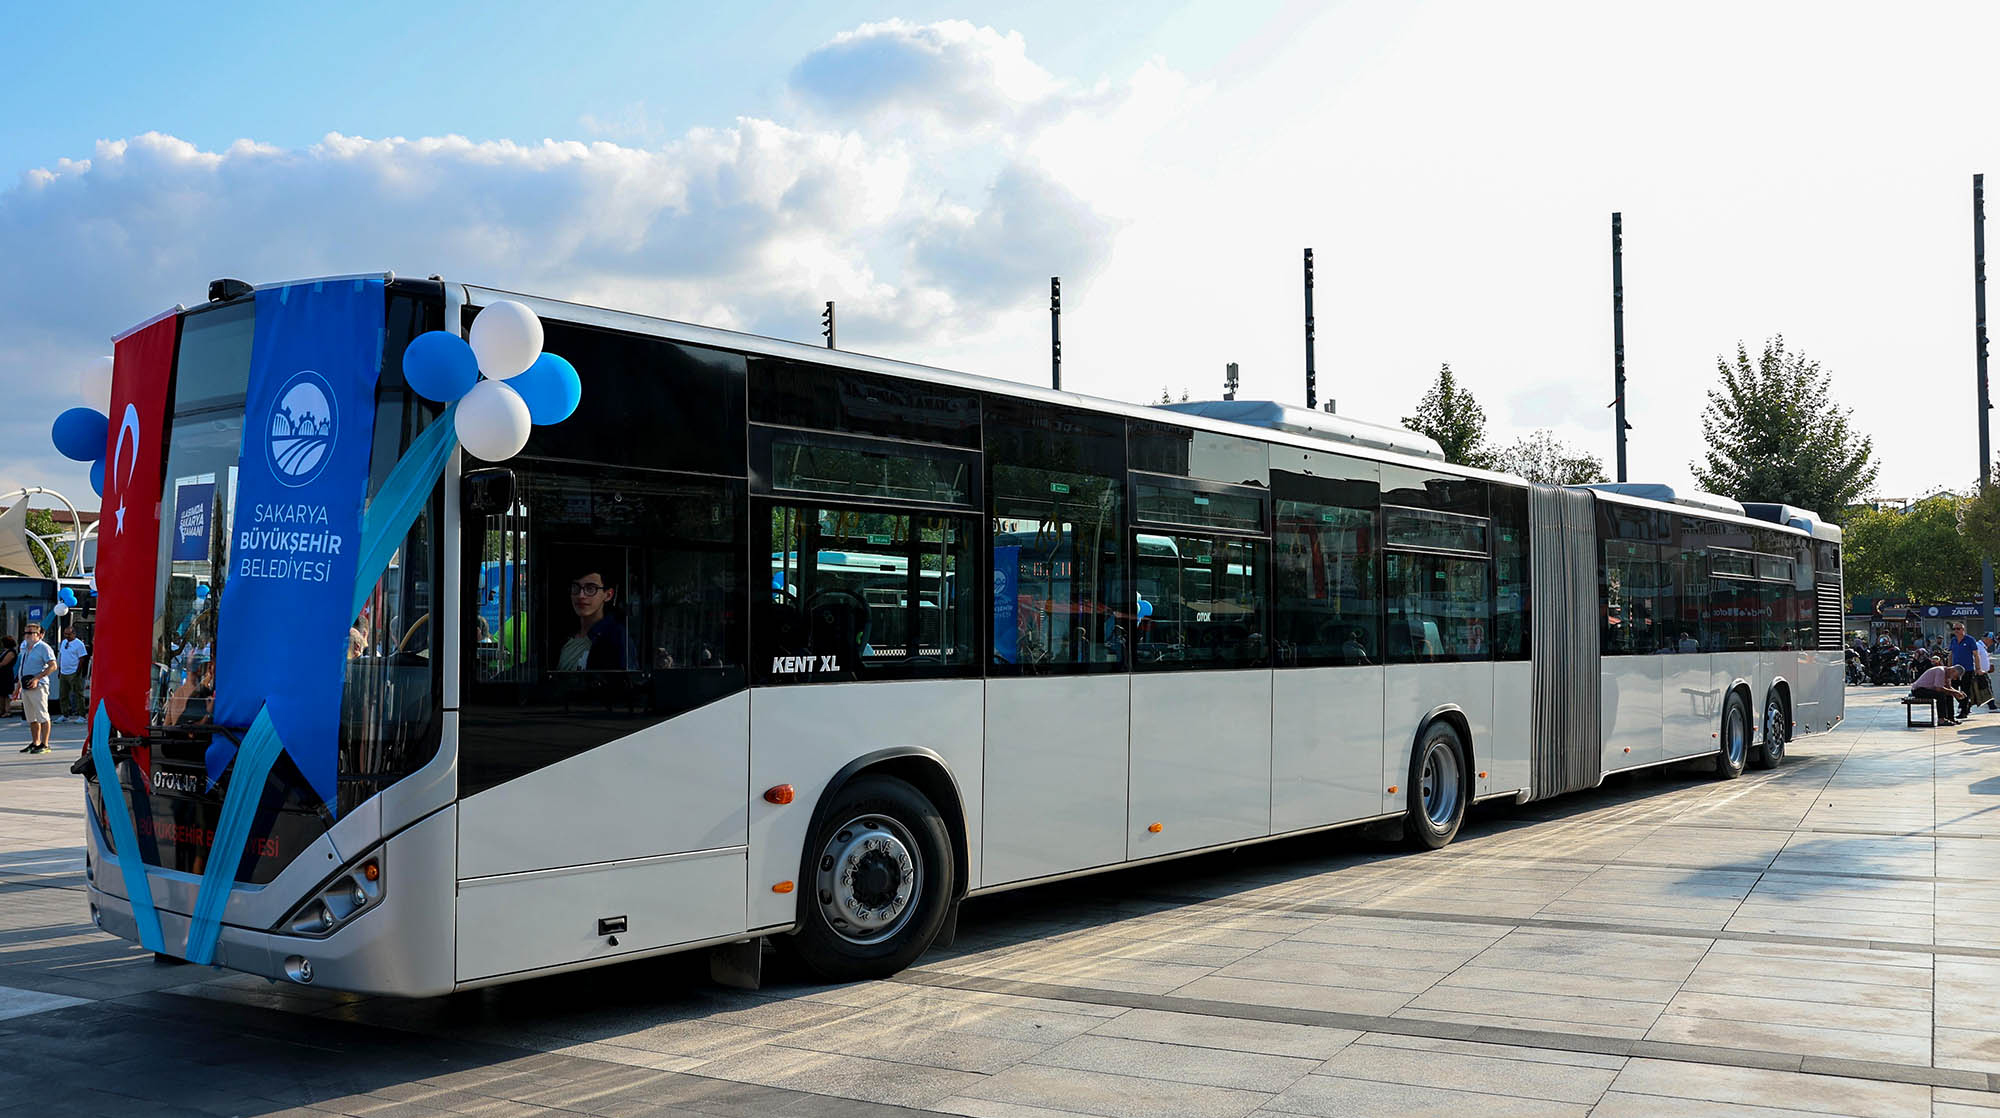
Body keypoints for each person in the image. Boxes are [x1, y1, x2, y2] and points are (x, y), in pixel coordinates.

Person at [558, 564, 629, 671]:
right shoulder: (564, 637)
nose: (581, 595)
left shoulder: (617, 638)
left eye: (590, 588)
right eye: (576, 587)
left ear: (608, 595)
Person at [15, 623, 56, 753]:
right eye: (25, 633)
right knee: (31, 718)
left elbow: (53, 666)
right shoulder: (25, 648)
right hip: (26, 686)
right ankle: (35, 742)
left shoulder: (44, 647)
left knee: (43, 716)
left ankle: (45, 744)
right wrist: (18, 687)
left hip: (39, 686)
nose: (26, 635)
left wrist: (38, 678)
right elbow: (22, 667)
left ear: (38, 635)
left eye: (29, 633)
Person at [1911, 662, 1967, 726]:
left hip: (1928, 689)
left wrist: (1957, 693)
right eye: (1955, 676)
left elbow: (1949, 688)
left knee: (1949, 695)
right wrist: (1955, 692)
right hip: (1918, 690)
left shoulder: (1948, 675)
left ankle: (1950, 718)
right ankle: (1941, 719)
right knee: (1941, 695)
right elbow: (1938, 688)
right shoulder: (1941, 671)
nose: (1955, 679)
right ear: (1953, 670)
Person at [56, 625, 86, 723]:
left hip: (74, 672)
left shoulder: (79, 644)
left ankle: (81, 715)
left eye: (69, 634)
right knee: (63, 695)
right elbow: (61, 656)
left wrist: (77, 672)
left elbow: (82, 659)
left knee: (78, 694)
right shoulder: (64, 642)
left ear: (74, 633)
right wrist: (59, 670)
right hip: (64, 672)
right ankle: (65, 714)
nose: (67, 636)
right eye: (65, 634)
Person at [1950, 622, 1981, 717]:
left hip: (1967, 670)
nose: (1956, 631)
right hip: (1955, 670)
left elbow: (1976, 655)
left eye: (1958, 629)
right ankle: (1965, 703)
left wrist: (1978, 668)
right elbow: (1951, 655)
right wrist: (1949, 668)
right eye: (1954, 629)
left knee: (1965, 690)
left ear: (1963, 630)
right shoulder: (1953, 640)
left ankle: (1964, 711)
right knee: (1953, 689)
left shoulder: (1970, 640)